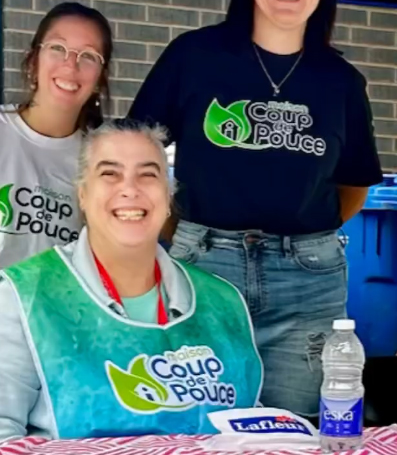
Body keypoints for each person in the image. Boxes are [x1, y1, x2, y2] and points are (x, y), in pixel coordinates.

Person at [127, 0, 383, 417]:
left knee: (300, 429)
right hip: (204, 267)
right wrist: (170, 228)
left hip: (307, 280)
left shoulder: (341, 81)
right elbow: (138, 150)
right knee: (194, 424)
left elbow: (354, 185)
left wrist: (307, 230)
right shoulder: (195, 56)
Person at [0, 120, 263, 442]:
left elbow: (251, 428)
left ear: (168, 199)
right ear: (82, 194)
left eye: (148, 174)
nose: (130, 188)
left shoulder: (222, 302)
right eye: (109, 173)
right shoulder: (24, 295)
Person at [0, 2, 112, 268]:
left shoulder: (101, 162)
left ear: (99, 79)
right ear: (33, 61)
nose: (71, 64)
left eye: (88, 56)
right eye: (58, 48)